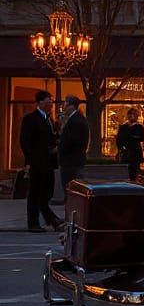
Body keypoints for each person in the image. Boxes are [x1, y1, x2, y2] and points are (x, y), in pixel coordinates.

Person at [18, 90, 63, 232]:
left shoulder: (48, 119)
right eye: (49, 100)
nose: (51, 103)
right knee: (35, 193)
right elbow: (25, 141)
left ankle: (51, 219)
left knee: (46, 193)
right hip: (37, 162)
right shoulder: (30, 119)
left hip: (48, 162)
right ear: (40, 102)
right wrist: (30, 161)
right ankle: (34, 223)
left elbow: (50, 138)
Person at [57, 95, 89, 199]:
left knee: (70, 189)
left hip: (71, 162)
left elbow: (69, 141)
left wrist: (58, 148)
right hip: (74, 160)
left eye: (65, 104)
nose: (64, 107)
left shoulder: (75, 121)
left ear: (71, 106)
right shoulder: (77, 119)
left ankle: (71, 207)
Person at [116, 108, 144, 183]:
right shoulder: (123, 127)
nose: (131, 116)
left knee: (134, 170)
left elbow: (142, 139)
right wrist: (121, 148)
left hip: (135, 152)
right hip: (126, 152)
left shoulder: (139, 127)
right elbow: (119, 139)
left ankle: (134, 181)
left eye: (133, 115)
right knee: (125, 170)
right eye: (130, 115)